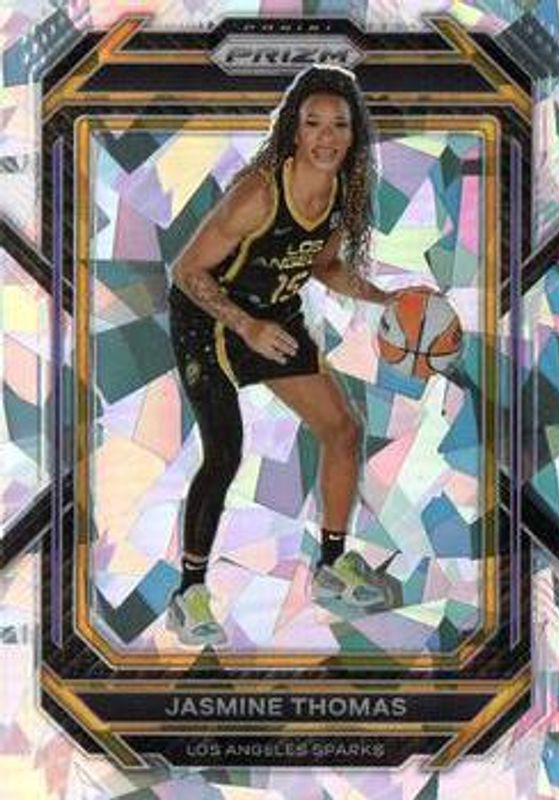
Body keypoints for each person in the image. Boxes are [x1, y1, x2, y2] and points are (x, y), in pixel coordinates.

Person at [167, 64, 398, 646]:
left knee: (343, 429)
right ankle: (188, 594)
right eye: (313, 123)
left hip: (275, 316)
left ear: (354, 133)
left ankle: (332, 568)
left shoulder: (342, 192)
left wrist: (389, 300)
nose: (326, 136)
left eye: (339, 124)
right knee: (225, 452)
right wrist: (246, 326)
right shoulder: (260, 193)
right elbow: (187, 270)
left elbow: (322, 266)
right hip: (211, 319)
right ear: (294, 129)